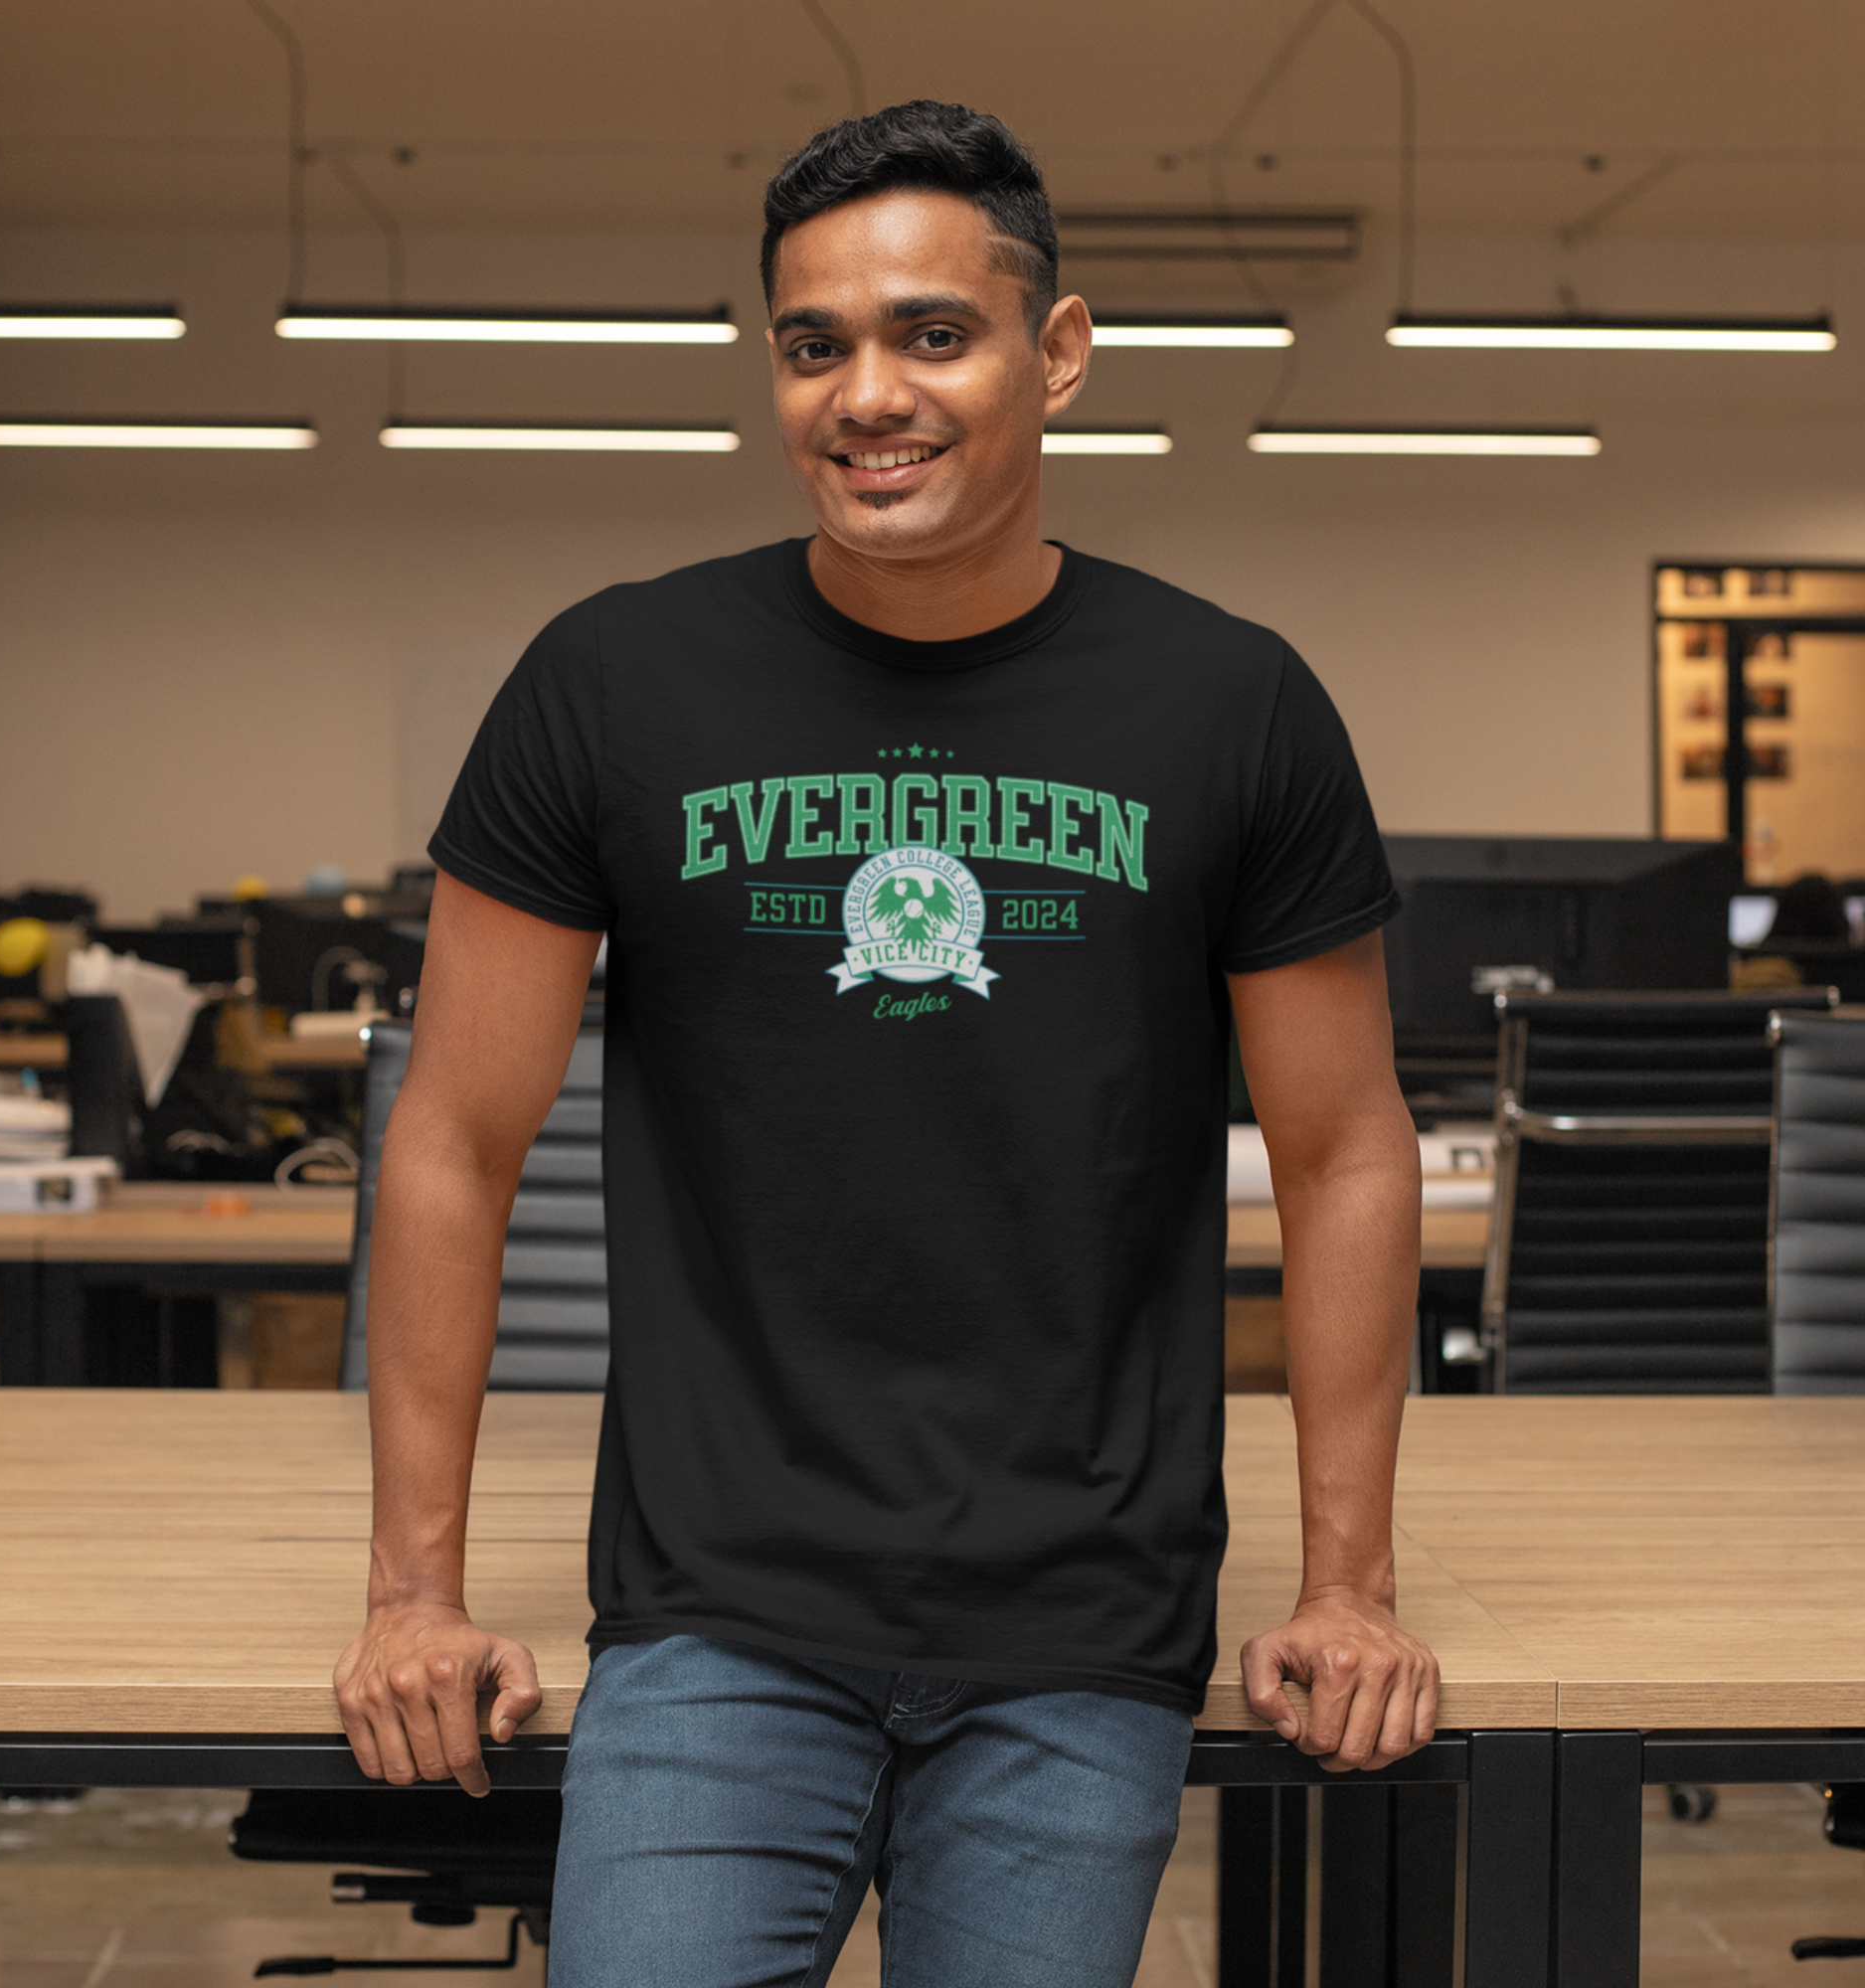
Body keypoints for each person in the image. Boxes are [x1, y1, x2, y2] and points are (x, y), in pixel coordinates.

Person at [332, 99, 1438, 1988]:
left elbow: (1344, 1154)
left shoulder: (1230, 703)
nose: (867, 396)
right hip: (716, 1613)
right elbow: (451, 1139)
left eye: (933, 334)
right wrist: (411, 1594)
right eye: (813, 344)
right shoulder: (610, 684)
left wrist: (1349, 1586)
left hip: (1080, 1622)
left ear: (1055, 354)